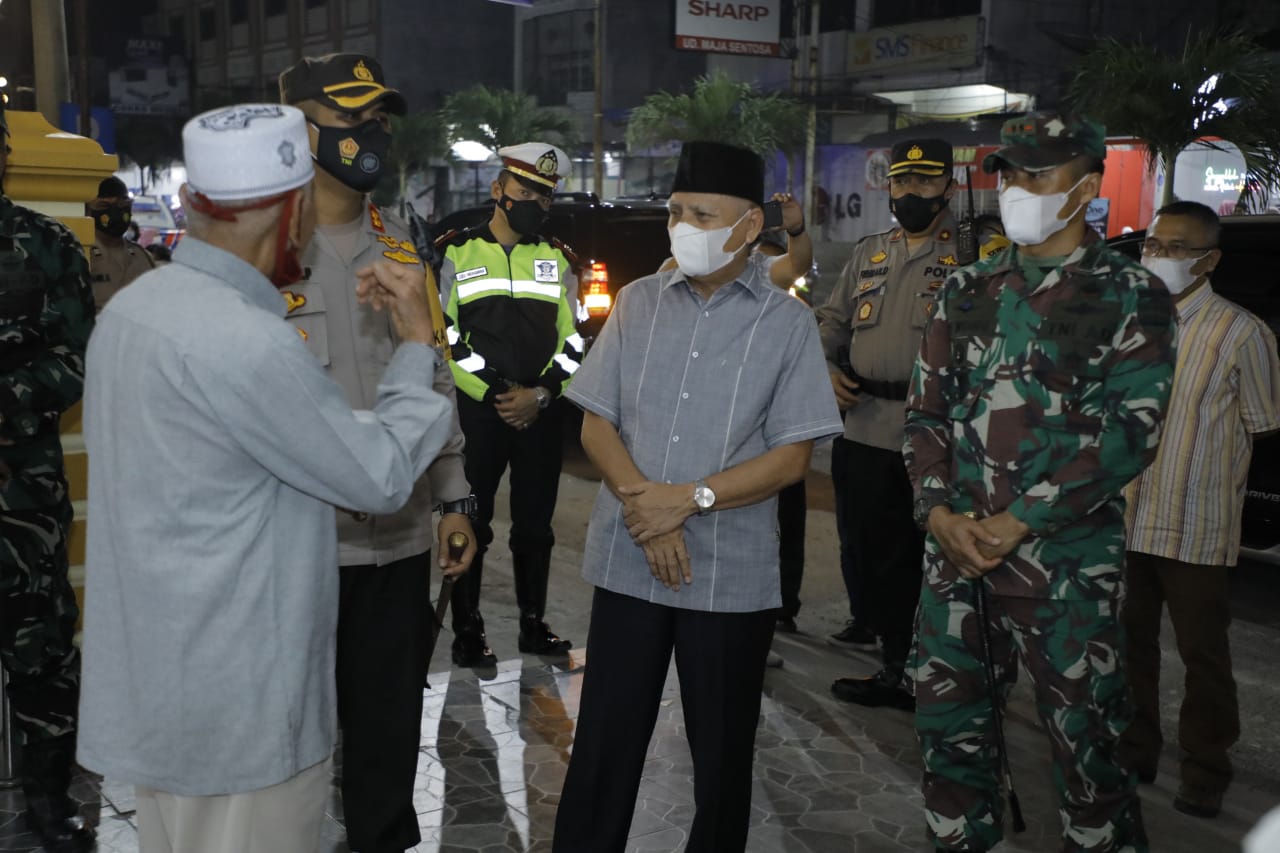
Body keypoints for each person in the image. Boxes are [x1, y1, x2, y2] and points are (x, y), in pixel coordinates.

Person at [76, 103, 460, 853]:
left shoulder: (134, 312)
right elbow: (378, 476)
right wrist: (418, 341)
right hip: (245, 714)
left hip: (166, 701)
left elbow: (264, 448)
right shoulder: (244, 339)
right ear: (289, 214)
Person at [552, 140, 843, 853]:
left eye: (702, 213)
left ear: (749, 227)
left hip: (728, 574)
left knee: (721, 755)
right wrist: (647, 508)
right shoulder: (637, 301)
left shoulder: (785, 323)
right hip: (630, 559)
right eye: (677, 211)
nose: (683, 225)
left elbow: (790, 458)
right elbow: (596, 421)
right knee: (605, 743)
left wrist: (687, 500)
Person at [904, 112, 1177, 852]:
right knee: (950, 743)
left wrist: (1019, 519)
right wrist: (939, 514)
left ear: (1086, 187)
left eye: (1037, 175)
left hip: (1065, 571)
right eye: (1009, 175)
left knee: (1089, 753)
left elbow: (1129, 433)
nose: (1016, 189)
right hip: (957, 564)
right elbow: (925, 415)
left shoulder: (1130, 293)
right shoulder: (967, 288)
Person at [278, 52, 477, 853]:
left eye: (379, 122)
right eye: (353, 120)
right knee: (288, 748)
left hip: (395, 541)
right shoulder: (264, 257)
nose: (372, 136)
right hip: (295, 551)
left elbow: (432, 380)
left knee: (388, 740)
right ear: (303, 130)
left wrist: (456, 496)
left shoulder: (403, 248)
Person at [1121, 201, 1280, 819]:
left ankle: (1206, 769)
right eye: (1154, 245)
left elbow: (1263, 425)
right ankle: (1136, 747)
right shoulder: (1131, 321)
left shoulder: (1242, 333)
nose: (1159, 256)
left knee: (1203, 657)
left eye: (1176, 248)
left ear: (1209, 259)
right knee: (1130, 644)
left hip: (1197, 522)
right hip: (1130, 514)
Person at [816, 138, 958, 709]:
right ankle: (897, 666)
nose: (910, 193)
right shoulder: (872, 251)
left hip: (939, 434)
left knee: (931, 561)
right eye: (901, 183)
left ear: (948, 186)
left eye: (924, 183)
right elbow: (831, 321)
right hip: (867, 428)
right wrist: (826, 366)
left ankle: (942, 673)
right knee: (873, 554)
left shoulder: (975, 253)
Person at [434, 141, 581, 666]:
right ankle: (467, 631)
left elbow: (576, 339)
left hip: (540, 414)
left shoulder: (558, 258)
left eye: (544, 198)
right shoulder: (454, 252)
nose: (536, 205)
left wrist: (540, 394)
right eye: (525, 193)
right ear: (498, 191)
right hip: (480, 414)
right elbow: (446, 338)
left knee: (536, 526)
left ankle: (532, 625)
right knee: (472, 520)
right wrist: (501, 393)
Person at [0, 99, 97, 853]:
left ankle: (47, 795)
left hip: (22, 489)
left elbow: (77, 354)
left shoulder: (46, 245)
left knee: (41, 645)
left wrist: (12, 398)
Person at [85, 175, 153, 311]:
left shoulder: (142, 256)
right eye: (104, 205)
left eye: (122, 204)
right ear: (88, 210)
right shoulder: (82, 253)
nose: (115, 211)